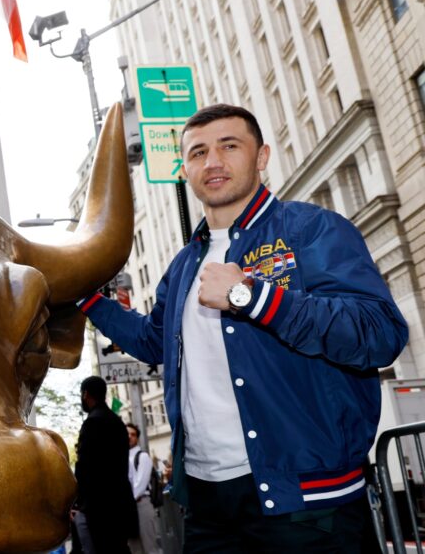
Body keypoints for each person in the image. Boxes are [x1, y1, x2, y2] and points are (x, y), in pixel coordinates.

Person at [78, 103, 408, 552]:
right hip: (208, 506)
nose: (212, 162)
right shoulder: (183, 266)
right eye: (197, 153)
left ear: (261, 156)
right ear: (186, 170)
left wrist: (253, 298)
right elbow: (153, 342)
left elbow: (379, 334)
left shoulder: (310, 229)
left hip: (308, 501)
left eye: (228, 146)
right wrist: (86, 299)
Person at [72, 376, 138, 554]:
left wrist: (77, 502)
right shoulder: (117, 423)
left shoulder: (92, 423)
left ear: (85, 394)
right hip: (119, 505)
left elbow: (84, 468)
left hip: (98, 509)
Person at [126, 423, 160, 554]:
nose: (129, 437)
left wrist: (125, 501)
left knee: (150, 548)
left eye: (133, 434)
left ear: (137, 438)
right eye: (126, 434)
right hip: (129, 508)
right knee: (135, 549)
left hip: (142, 504)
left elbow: (140, 486)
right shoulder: (121, 457)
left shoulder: (143, 457)